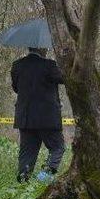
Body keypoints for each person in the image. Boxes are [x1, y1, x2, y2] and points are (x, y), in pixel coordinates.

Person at [11, 47, 65, 183]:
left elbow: (16, 88)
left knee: (27, 152)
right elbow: (65, 78)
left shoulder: (17, 65)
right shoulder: (49, 65)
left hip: (26, 117)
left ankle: (23, 181)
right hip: (47, 118)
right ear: (41, 48)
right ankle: (44, 177)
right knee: (57, 147)